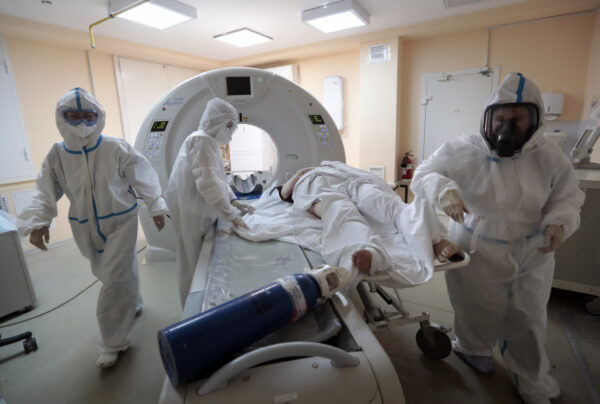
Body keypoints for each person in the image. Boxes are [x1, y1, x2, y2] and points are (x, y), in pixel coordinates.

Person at [411, 73, 584, 404]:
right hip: (478, 244)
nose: (507, 128)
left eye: (518, 120)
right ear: (488, 118)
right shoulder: (461, 149)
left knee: (528, 315)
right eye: (501, 119)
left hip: (532, 249)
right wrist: (443, 190)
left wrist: (559, 223)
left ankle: (530, 378)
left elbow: (568, 197)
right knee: (474, 306)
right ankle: (473, 350)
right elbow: (423, 174)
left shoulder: (550, 156)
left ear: (535, 120)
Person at [18, 87, 168, 368]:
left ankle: (112, 343)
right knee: (110, 273)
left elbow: (143, 176)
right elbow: (45, 191)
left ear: (99, 116)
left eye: (88, 116)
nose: (82, 123)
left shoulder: (114, 146)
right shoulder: (57, 154)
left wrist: (156, 206)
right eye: (73, 116)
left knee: (114, 278)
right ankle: (133, 303)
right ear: (61, 118)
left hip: (121, 220)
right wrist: (39, 222)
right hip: (84, 225)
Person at [237, 161, 458, 288]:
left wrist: (322, 168)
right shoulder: (292, 184)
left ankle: (434, 238)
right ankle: (372, 254)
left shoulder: (327, 164)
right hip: (319, 192)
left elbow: (352, 171)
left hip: (349, 180)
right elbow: (285, 194)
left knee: (385, 203)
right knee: (341, 213)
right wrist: (300, 175)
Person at [165, 98, 253, 307]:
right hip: (191, 212)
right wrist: (231, 215)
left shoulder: (207, 141)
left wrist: (234, 201)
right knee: (193, 262)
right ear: (218, 122)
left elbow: (217, 178)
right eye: (230, 126)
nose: (231, 131)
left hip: (198, 209)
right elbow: (208, 183)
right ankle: (192, 309)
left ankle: (196, 304)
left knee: (198, 261)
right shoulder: (201, 140)